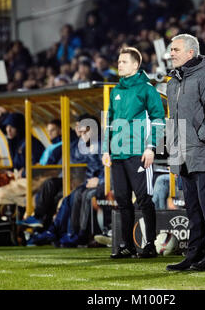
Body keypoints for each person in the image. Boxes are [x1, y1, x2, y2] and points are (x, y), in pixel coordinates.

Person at [165, 34, 205, 272]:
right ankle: (194, 254)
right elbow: (173, 119)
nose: (171, 53)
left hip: (202, 151)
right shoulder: (173, 81)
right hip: (182, 154)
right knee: (192, 208)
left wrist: (199, 139)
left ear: (190, 52)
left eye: (175, 49)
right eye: (171, 49)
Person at [102, 47, 165, 258]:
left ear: (136, 65)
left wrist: (151, 147)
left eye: (124, 61)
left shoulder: (147, 89)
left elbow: (158, 119)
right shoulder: (115, 91)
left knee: (144, 199)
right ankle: (127, 245)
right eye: (119, 61)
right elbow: (108, 122)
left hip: (139, 152)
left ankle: (150, 246)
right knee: (121, 200)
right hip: (117, 154)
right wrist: (105, 149)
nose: (119, 64)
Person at [30, 114, 104, 247]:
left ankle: (77, 234)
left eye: (84, 130)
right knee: (66, 198)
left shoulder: (100, 143)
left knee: (79, 195)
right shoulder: (84, 145)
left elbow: (109, 166)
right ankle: (55, 230)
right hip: (85, 182)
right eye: (79, 130)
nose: (81, 133)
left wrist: (100, 180)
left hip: (98, 183)